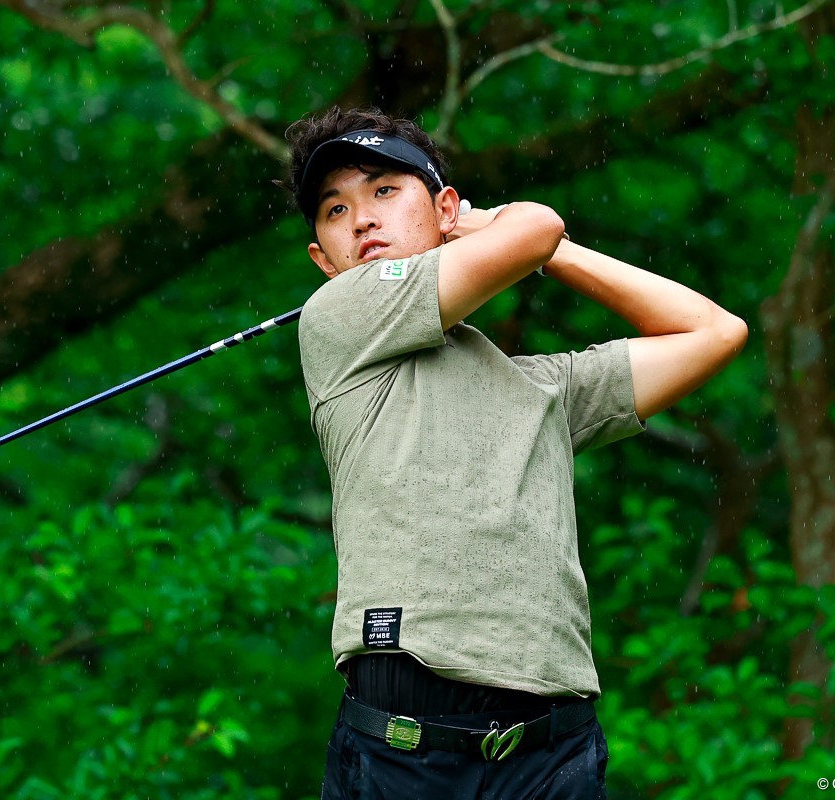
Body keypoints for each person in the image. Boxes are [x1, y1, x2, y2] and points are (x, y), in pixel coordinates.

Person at [284, 107, 748, 799]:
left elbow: (714, 331)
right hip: (403, 751)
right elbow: (533, 225)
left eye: (384, 190)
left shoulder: (542, 389)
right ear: (324, 259)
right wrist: (515, 233)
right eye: (334, 209)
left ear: (444, 207)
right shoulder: (335, 320)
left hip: (552, 754)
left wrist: (545, 247)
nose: (361, 219)